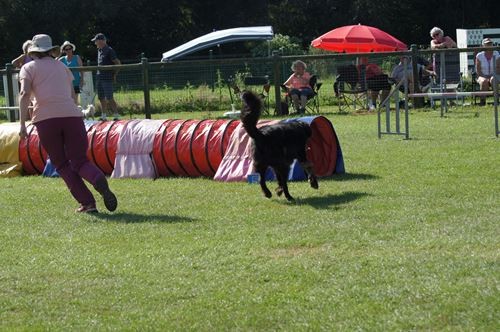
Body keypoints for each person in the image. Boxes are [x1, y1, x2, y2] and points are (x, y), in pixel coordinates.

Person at [18, 34, 117, 213]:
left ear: (33, 52)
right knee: (79, 160)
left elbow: (24, 94)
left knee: (61, 163)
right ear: (50, 50)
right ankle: (97, 178)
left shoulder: (28, 68)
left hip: (46, 119)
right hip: (72, 116)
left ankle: (88, 203)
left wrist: (22, 124)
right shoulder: (62, 67)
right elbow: (72, 95)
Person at [91, 33, 121, 120]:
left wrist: (114, 75)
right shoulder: (99, 50)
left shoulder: (109, 50)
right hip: (99, 78)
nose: (95, 43)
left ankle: (116, 115)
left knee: (109, 97)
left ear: (101, 41)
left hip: (107, 78)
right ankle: (103, 116)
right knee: (101, 97)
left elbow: (118, 63)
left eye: (96, 41)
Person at [475, 38, 500, 106]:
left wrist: (492, 75)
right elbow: (478, 70)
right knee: (484, 81)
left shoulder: (497, 54)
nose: (489, 45)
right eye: (487, 44)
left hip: (495, 75)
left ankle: (496, 100)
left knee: (493, 79)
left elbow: (498, 68)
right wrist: (484, 77)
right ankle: (482, 102)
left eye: (490, 44)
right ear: (483, 46)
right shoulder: (479, 55)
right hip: (482, 75)